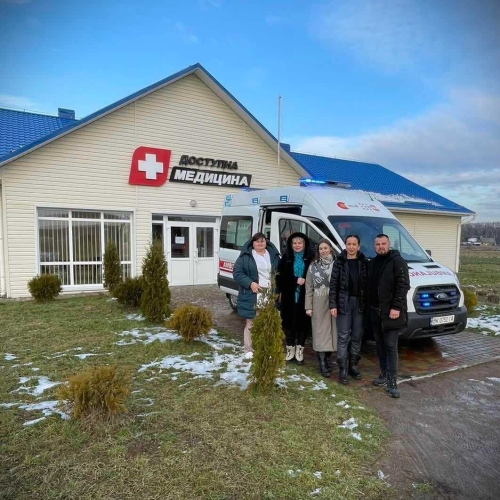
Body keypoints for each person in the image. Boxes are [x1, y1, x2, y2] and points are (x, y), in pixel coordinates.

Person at [368, 233, 410, 398]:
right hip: (375, 312)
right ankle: (384, 373)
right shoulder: (373, 263)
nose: (380, 247)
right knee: (379, 345)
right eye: (377, 244)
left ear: (389, 244)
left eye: (383, 244)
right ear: (374, 246)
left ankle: (392, 381)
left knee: (391, 346)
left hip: (392, 313)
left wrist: (396, 307)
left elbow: (403, 285)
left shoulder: (397, 261)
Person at [233, 232, 280, 357]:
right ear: (252, 243)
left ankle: (264, 347)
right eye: (257, 241)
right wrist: (250, 283)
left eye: (262, 241)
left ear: (266, 242)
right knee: (251, 322)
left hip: (269, 294)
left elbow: (279, 275)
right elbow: (237, 273)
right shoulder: (246, 256)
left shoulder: (273, 255)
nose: (260, 243)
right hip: (252, 293)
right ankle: (249, 349)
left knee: (267, 321)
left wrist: (278, 291)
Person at [329, 235, 368, 384]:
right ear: (345, 245)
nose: (351, 247)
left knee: (357, 336)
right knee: (343, 336)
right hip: (343, 303)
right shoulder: (339, 262)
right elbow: (333, 285)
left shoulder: (364, 262)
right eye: (348, 244)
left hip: (359, 304)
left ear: (358, 246)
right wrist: (333, 304)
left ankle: (353, 365)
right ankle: (343, 369)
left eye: (354, 244)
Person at [277, 232, 312, 364]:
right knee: (288, 324)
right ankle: (290, 349)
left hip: (304, 297)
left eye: (300, 243)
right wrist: (295, 280)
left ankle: (299, 351)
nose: (297, 245)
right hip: (289, 297)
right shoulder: (286, 258)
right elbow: (280, 277)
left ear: (304, 244)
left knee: (302, 324)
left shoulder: (310, 258)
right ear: (291, 244)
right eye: (294, 243)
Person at [305, 239, 337, 377]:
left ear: (330, 249)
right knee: (320, 332)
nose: (323, 251)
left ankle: (328, 358)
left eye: (325, 248)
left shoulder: (337, 264)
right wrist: (308, 306)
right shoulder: (313, 266)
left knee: (333, 332)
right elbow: (309, 287)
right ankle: (322, 362)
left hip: (334, 302)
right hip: (318, 302)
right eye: (320, 249)